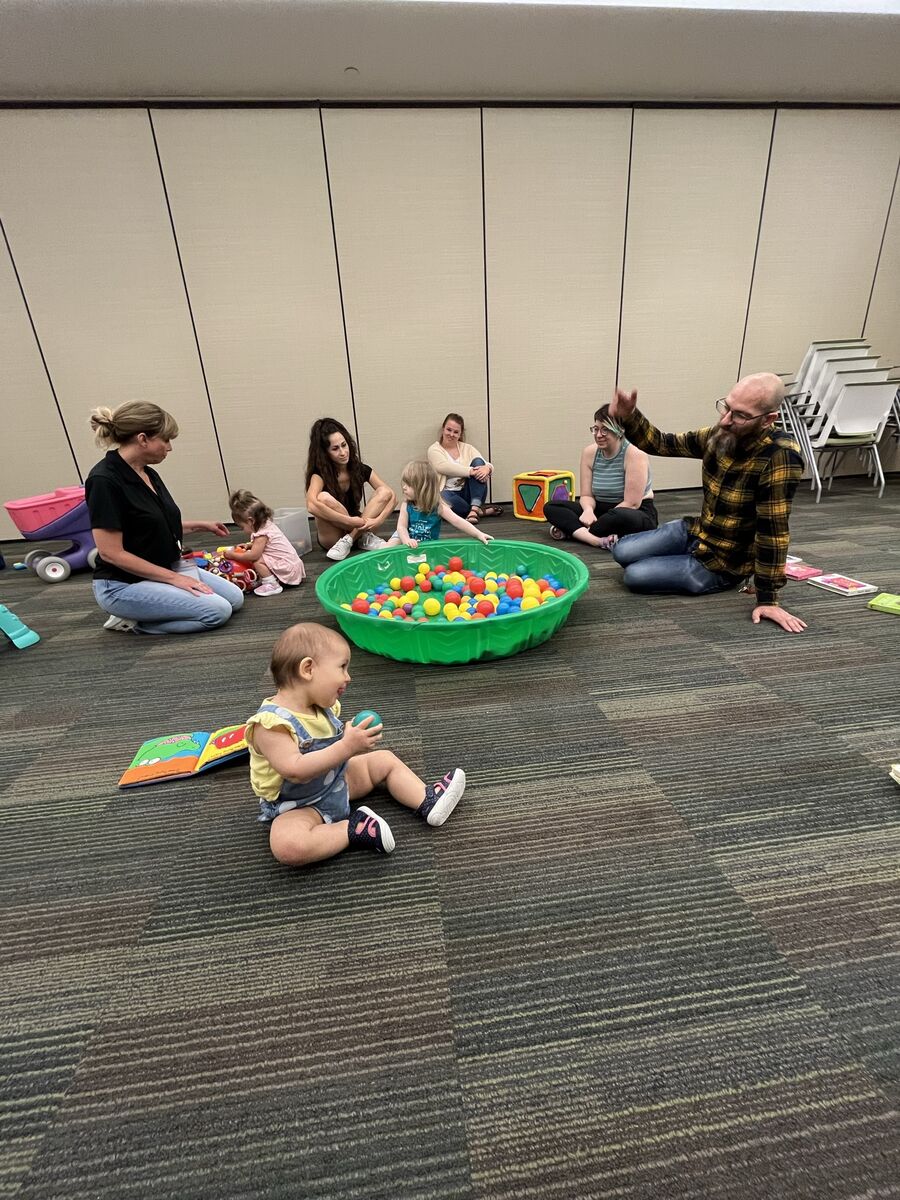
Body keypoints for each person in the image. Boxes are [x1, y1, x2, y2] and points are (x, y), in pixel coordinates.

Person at [246, 623, 467, 865]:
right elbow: (295, 770)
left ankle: (426, 800)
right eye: (342, 667)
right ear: (308, 669)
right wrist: (346, 747)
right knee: (288, 846)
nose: (347, 677)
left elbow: (332, 746)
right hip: (299, 806)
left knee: (383, 760)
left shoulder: (320, 707)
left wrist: (353, 735)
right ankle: (353, 829)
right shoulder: (270, 725)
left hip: (338, 781)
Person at [608, 373, 807, 634]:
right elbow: (662, 443)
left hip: (724, 560)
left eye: (740, 415)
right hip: (697, 531)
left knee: (634, 576)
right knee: (621, 551)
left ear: (768, 419)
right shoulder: (721, 433)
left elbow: (773, 532)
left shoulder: (780, 457)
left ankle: (723, 577)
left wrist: (768, 598)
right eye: (727, 406)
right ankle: (680, 556)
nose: (725, 420)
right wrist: (629, 415)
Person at [86, 402, 244, 635]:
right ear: (143, 439)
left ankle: (158, 603)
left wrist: (200, 525)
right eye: (166, 440)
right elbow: (111, 552)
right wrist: (174, 579)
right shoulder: (104, 481)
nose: (169, 448)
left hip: (164, 567)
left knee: (235, 599)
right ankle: (133, 622)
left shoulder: (146, 471)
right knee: (217, 611)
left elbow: (151, 524)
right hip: (123, 585)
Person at [543, 404, 658, 549]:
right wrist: (588, 511)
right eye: (596, 429)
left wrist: (594, 523)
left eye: (605, 430)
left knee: (621, 516)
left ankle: (575, 533)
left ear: (620, 431)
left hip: (632, 512)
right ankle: (597, 540)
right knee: (552, 507)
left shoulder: (635, 454)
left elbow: (632, 504)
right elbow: (586, 495)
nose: (598, 435)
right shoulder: (589, 453)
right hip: (600, 509)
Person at [305, 418, 396, 561]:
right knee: (322, 498)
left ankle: (353, 538)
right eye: (335, 449)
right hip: (334, 536)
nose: (343, 452)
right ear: (325, 453)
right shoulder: (319, 475)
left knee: (384, 491)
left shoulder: (359, 468)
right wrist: (350, 521)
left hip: (359, 526)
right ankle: (356, 538)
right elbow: (311, 506)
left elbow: (392, 496)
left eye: (344, 445)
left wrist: (378, 520)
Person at [387, 460, 496, 549]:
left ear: (423, 488)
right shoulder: (406, 505)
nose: (404, 487)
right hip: (406, 540)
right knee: (388, 548)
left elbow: (457, 521)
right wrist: (407, 541)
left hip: (427, 546)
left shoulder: (438, 506)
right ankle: (381, 545)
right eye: (404, 483)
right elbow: (401, 527)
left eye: (409, 484)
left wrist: (478, 534)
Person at [225, 489, 306, 597]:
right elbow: (269, 545)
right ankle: (274, 578)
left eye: (242, 527)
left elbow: (253, 555)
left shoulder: (261, 535)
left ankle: (272, 584)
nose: (243, 530)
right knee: (258, 554)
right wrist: (249, 545)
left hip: (288, 568)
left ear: (251, 521)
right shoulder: (267, 525)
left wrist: (232, 555)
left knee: (257, 559)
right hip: (293, 564)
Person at [427, 412, 504, 524]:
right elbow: (442, 466)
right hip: (448, 494)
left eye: (456, 432)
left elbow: (483, 463)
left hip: (470, 494)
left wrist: (488, 468)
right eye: (449, 430)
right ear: (443, 429)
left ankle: (474, 508)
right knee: (442, 498)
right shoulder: (434, 449)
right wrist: (470, 471)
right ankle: (478, 512)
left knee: (478, 462)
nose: (451, 434)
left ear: (460, 434)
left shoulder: (467, 448)